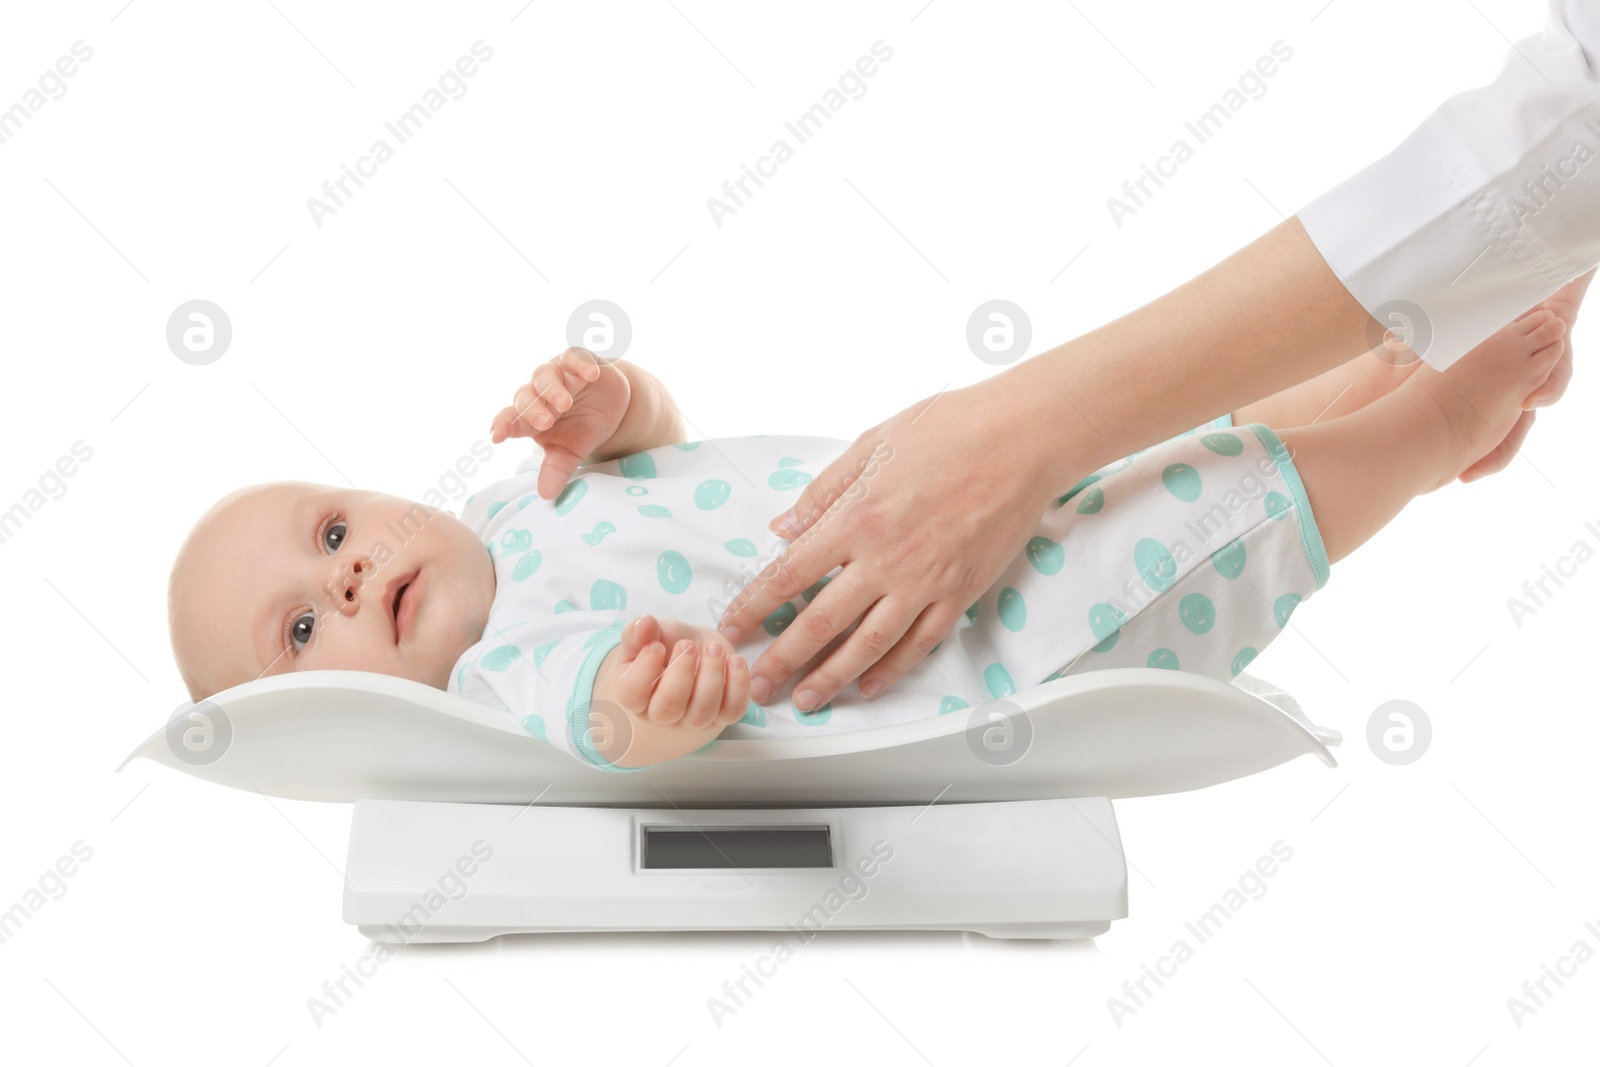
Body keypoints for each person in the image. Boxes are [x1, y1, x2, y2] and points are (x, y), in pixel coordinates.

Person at [169, 306, 1568, 768]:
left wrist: (613, 405)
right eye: (305, 623)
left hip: (979, 515)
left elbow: (664, 436)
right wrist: (654, 700)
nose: (346, 569)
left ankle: (1387, 366)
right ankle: (1429, 427)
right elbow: (611, 720)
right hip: (1007, 637)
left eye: (332, 524)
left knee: (1184, 454)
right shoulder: (499, 682)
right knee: (1235, 509)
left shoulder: (512, 502)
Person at [713, 0, 1600, 711]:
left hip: (881, 572)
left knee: (1158, 496)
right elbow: (1575, 118)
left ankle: (1422, 404)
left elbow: (1575, 118)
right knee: (1168, 524)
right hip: (907, 661)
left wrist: (607, 406)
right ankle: (1425, 405)